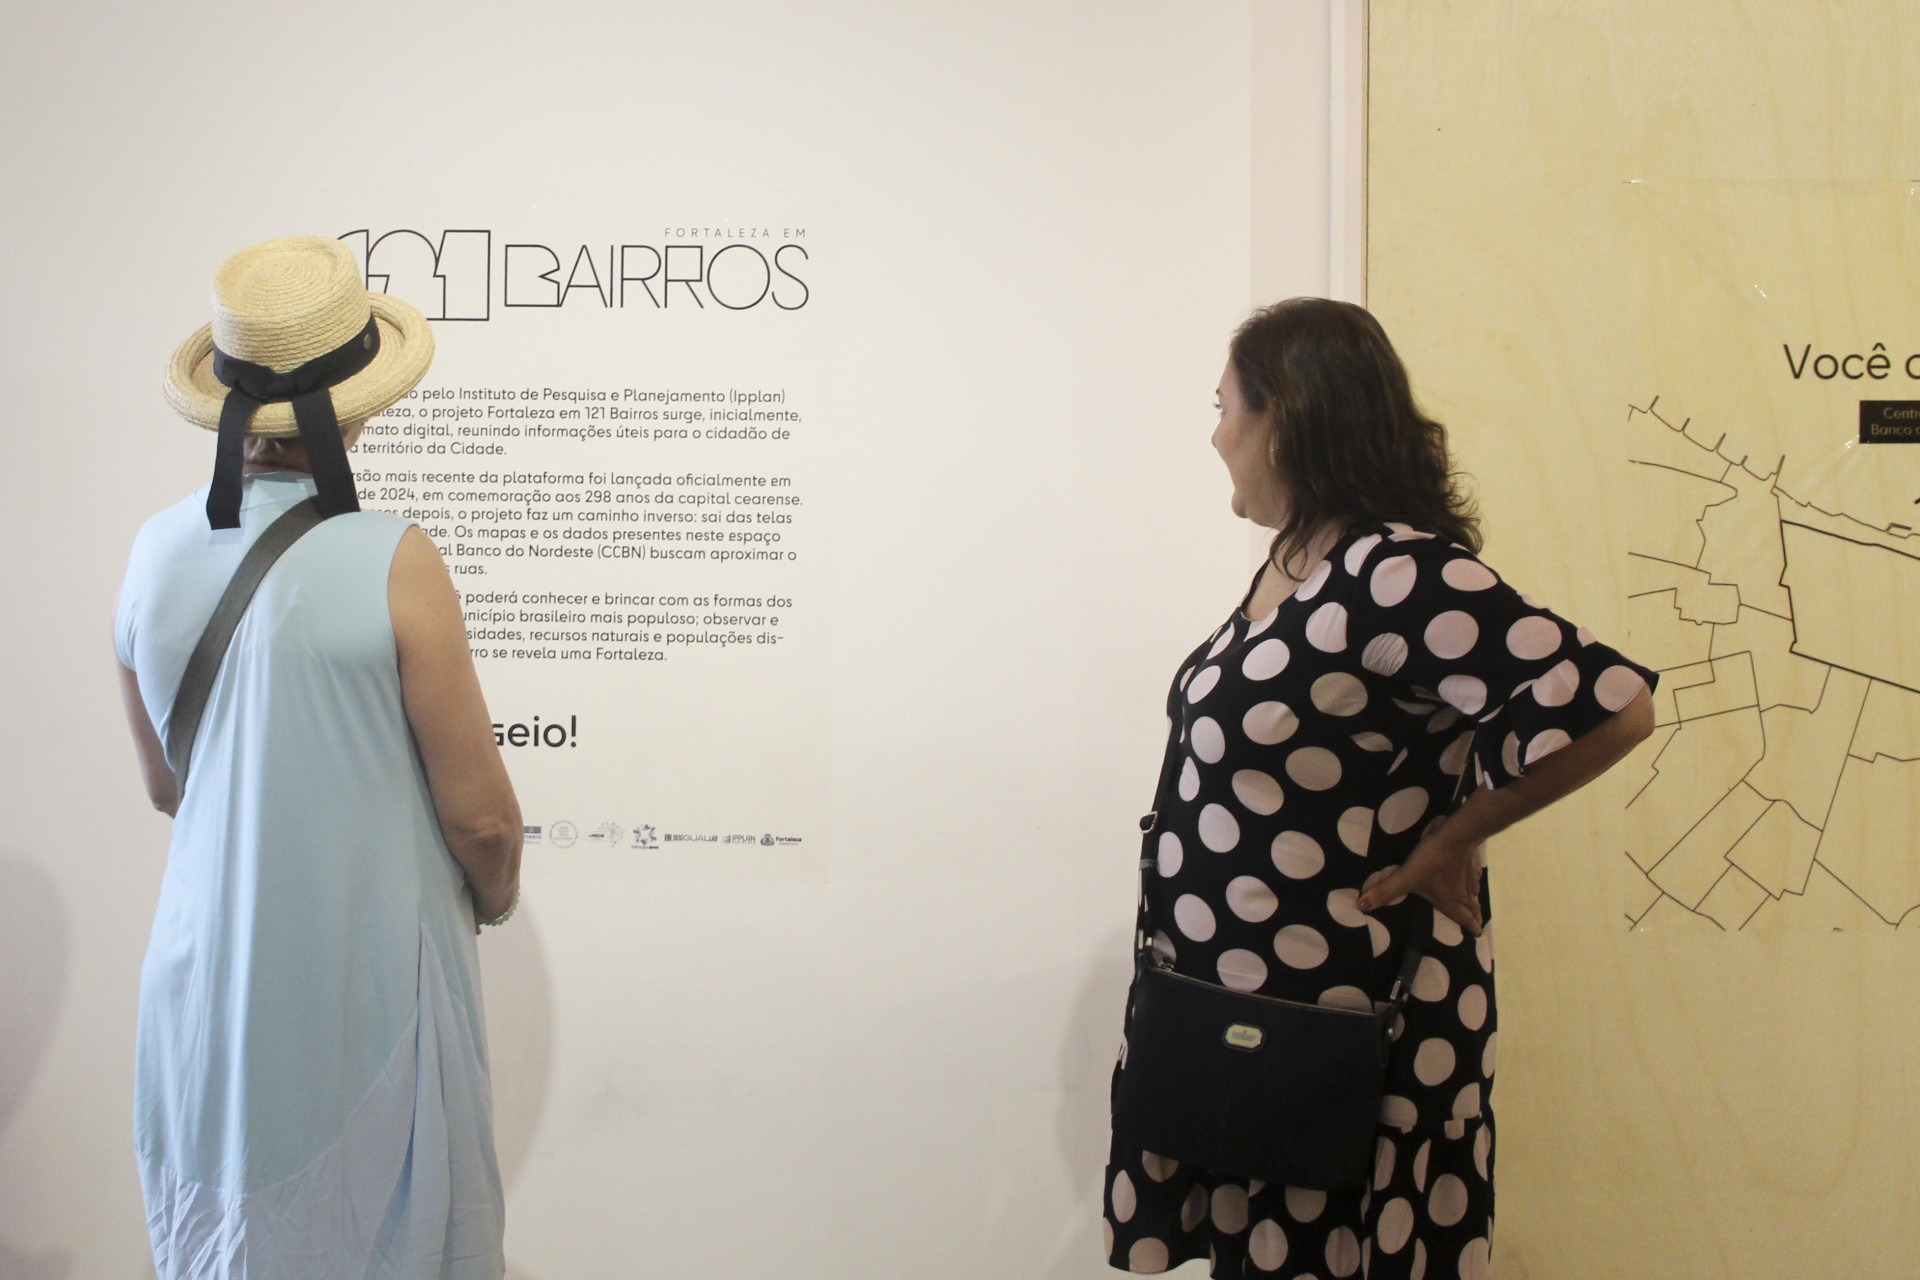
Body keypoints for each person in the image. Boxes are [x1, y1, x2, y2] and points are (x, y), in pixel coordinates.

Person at [1103, 298, 1657, 1279]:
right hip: (1245, 1007)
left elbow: (1612, 705)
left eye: (1226, 407)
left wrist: (1454, 836)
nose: (1216, 434)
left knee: (1336, 1251)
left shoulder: (1395, 571)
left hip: (1344, 1015)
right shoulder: (1297, 564)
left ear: (1287, 418)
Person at [115, 237, 522, 1278]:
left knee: (224, 1238)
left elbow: (167, 785)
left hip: (205, 977)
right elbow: (480, 817)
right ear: (356, 406)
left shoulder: (154, 550)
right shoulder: (395, 558)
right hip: (362, 975)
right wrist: (496, 893)